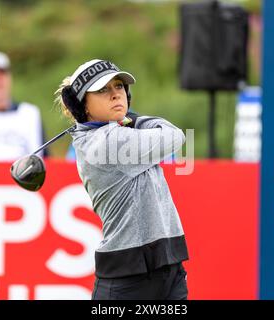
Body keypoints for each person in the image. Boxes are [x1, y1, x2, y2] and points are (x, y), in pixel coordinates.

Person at [56, 59, 189, 300]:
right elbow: (175, 136)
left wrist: (129, 121)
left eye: (119, 87)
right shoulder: (103, 143)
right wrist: (135, 120)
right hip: (128, 281)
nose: (116, 94)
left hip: (169, 270)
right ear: (83, 105)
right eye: (103, 90)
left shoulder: (119, 133)